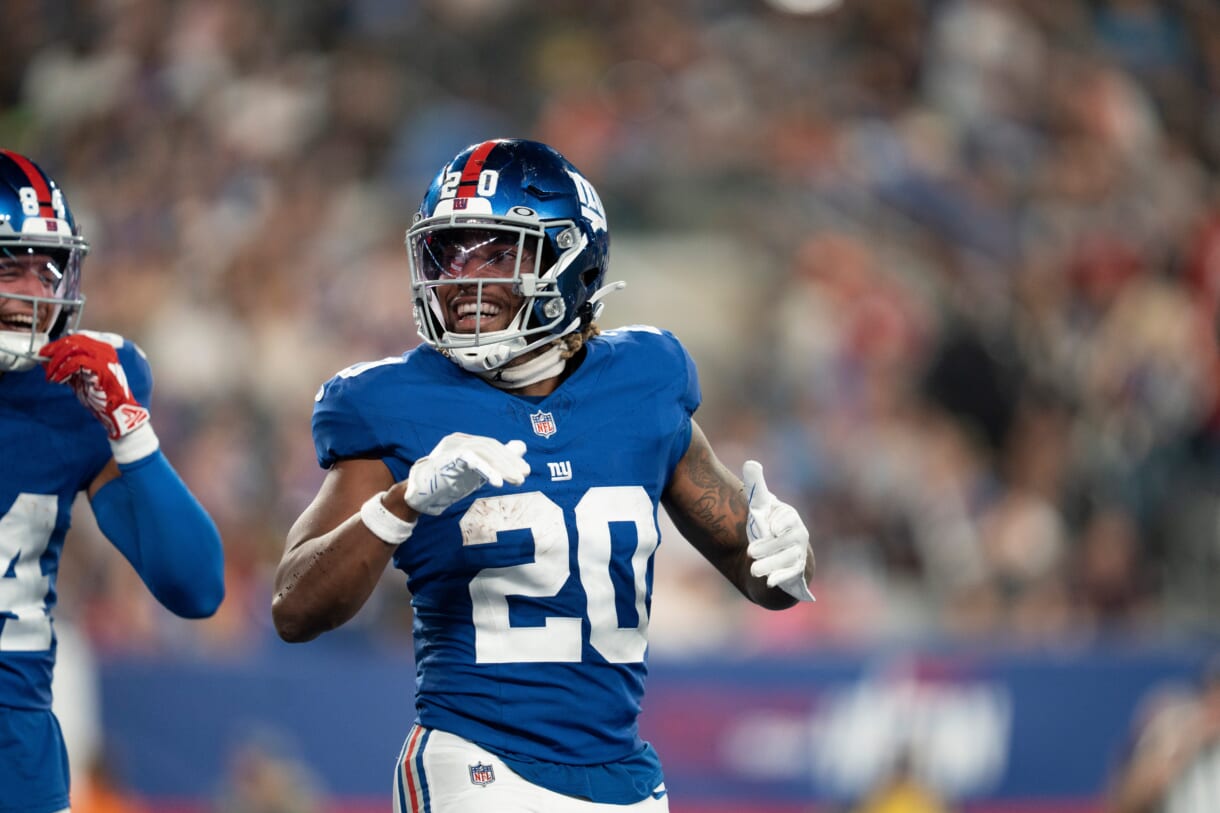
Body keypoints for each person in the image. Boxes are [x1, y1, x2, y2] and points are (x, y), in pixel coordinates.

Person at [272, 138, 815, 812]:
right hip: (476, 759)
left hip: (625, 778)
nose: (462, 280)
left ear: (572, 258)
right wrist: (401, 500)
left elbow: (757, 571)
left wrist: (788, 551)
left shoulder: (644, 379)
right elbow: (294, 608)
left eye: (496, 252)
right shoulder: (389, 402)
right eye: (448, 253)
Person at [0, 149, 225, 813]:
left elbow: (195, 586)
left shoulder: (76, 386)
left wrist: (131, 431)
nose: (34, 294)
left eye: (48, 270)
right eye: (10, 267)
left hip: (15, 753)